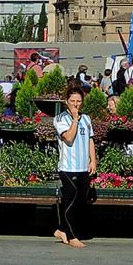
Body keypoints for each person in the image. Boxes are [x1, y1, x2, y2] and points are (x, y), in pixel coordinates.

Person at [52, 83, 96, 248]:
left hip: (83, 166)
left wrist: (93, 160)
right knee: (70, 200)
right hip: (69, 167)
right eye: (72, 101)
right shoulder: (61, 119)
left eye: (78, 101)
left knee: (81, 201)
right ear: (66, 101)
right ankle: (71, 235)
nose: (76, 104)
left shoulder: (86, 118)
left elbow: (90, 139)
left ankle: (62, 229)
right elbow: (69, 138)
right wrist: (75, 120)